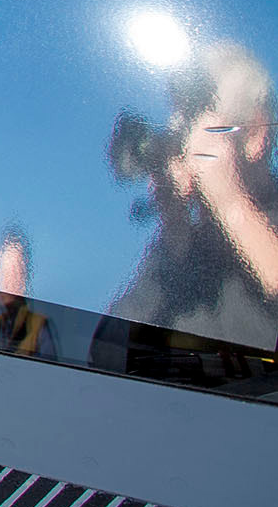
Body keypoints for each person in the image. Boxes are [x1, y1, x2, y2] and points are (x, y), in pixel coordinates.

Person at [103, 41, 278, 353]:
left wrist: (233, 205)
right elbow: (105, 354)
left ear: (254, 133)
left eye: (194, 124)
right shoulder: (182, 248)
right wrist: (174, 230)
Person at [0, 227, 54, 358]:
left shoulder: (38, 327)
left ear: (25, 278)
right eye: (3, 271)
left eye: (15, 271)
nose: (7, 280)